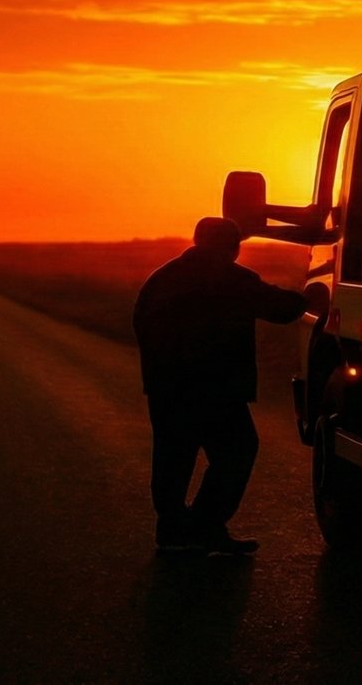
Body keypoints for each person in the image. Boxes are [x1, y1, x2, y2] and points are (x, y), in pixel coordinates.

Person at [134, 217, 307, 556]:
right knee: (237, 451)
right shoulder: (233, 279)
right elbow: (281, 309)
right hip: (217, 388)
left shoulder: (161, 278)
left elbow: (139, 324)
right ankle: (206, 526)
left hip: (167, 386)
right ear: (232, 246)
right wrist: (308, 299)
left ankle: (173, 531)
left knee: (172, 458)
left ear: (197, 240)